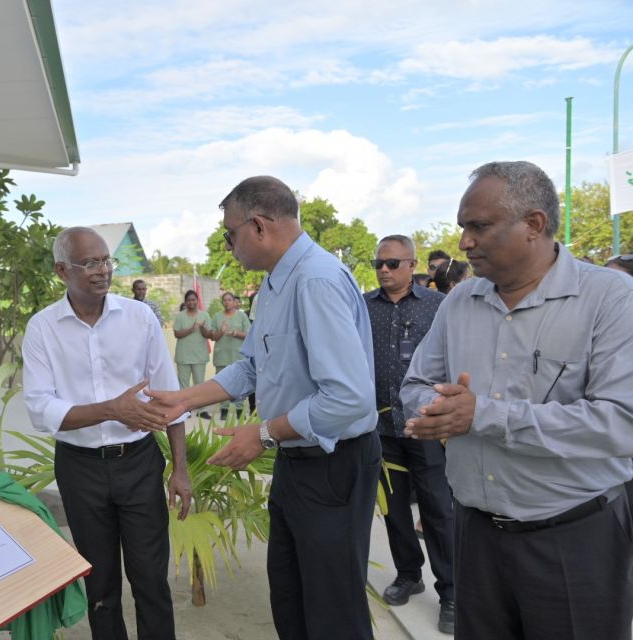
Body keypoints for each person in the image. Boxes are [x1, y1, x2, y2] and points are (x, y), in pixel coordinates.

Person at [401, 161, 633, 639]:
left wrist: (482, 414)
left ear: (533, 225)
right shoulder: (460, 303)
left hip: (574, 537)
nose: (464, 241)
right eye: (463, 226)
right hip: (477, 534)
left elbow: (620, 422)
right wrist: (432, 409)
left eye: (479, 226)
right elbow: (416, 384)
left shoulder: (610, 299)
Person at [149, 176, 379, 640]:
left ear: (258, 226)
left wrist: (264, 434)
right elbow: (251, 369)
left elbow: (350, 397)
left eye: (229, 235)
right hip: (296, 461)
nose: (228, 246)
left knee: (332, 611)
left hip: (332, 465)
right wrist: (182, 400)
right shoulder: (276, 284)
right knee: (291, 598)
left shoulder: (316, 280)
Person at [22, 227, 191, 640]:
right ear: (63, 270)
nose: (102, 271)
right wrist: (111, 409)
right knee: (100, 586)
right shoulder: (43, 329)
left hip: (137, 464)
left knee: (151, 579)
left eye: (106, 261)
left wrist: (180, 469)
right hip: (80, 470)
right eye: (90, 263)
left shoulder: (139, 318)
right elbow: (41, 410)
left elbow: (170, 398)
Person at [365, 235, 455, 634]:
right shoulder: (363, 308)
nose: (385, 270)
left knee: (437, 509)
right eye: (379, 264)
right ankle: (408, 574)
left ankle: (451, 592)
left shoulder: (438, 306)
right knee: (395, 508)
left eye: (393, 263)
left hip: (426, 424)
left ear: (413, 265)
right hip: (381, 427)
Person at [209, 291, 250, 421]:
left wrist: (235, 333)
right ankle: (224, 409)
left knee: (240, 383)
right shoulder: (216, 317)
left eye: (229, 300)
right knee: (222, 383)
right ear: (222, 302)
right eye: (225, 300)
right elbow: (212, 336)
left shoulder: (242, 316)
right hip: (222, 356)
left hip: (238, 356)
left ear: (234, 302)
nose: (227, 302)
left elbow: (249, 335)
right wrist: (221, 331)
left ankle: (239, 410)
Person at [173, 289, 212, 418]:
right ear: (186, 302)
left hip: (199, 355)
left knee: (200, 384)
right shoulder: (180, 316)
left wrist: (201, 327)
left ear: (197, 301)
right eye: (189, 300)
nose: (191, 302)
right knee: (183, 384)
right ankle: (185, 410)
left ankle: (202, 410)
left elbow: (208, 334)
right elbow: (177, 334)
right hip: (183, 355)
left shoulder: (204, 315)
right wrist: (192, 328)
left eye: (193, 300)